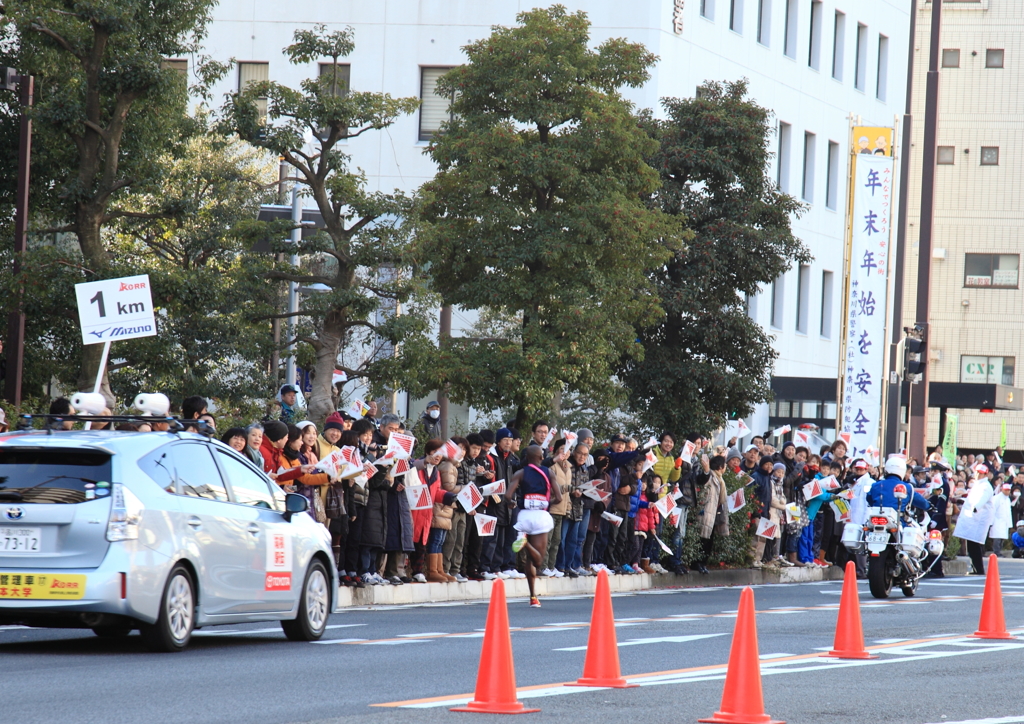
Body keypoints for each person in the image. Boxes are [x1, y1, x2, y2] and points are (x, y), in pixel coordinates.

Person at [506, 445, 563, 608]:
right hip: (540, 517)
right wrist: (545, 503)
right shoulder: (548, 472)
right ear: (540, 457)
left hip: (523, 515)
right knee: (537, 561)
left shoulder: (520, 473)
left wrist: (512, 504)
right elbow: (559, 498)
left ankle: (533, 596)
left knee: (529, 562)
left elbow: (508, 495)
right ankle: (526, 544)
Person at [541, 438, 572, 578]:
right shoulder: (551, 467)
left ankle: (551, 566)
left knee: (556, 541)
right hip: (551, 508)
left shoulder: (569, 468)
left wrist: (568, 506)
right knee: (547, 540)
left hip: (562, 510)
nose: (565, 453)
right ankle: (543, 566)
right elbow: (547, 487)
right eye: (562, 449)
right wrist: (564, 488)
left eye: (567, 450)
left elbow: (568, 493)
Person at [695, 455, 730, 574]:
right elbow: (701, 481)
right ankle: (698, 563)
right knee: (702, 539)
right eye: (724, 465)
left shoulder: (720, 479)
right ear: (721, 467)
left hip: (715, 513)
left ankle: (703, 563)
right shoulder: (710, 476)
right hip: (706, 511)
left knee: (709, 540)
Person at [990, 482, 1013, 557]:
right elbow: (992, 510)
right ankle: (996, 551)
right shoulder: (996, 498)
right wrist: (991, 522)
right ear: (1002, 490)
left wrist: (1009, 523)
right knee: (997, 537)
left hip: (1004, 522)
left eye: (1008, 490)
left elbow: (1008, 512)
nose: (1007, 492)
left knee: (1002, 538)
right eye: (1006, 490)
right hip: (997, 521)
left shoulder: (1008, 499)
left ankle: (999, 551)